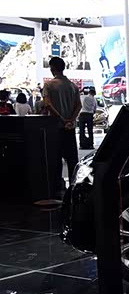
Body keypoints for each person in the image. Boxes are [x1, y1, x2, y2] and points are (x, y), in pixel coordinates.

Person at [42, 57, 81, 196]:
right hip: (70, 128)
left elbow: (47, 104)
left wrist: (62, 119)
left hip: (55, 128)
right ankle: (74, 188)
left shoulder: (48, 85)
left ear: (52, 68)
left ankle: (57, 188)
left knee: (55, 159)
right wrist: (71, 120)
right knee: (72, 160)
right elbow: (79, 106)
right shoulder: (73, 86)